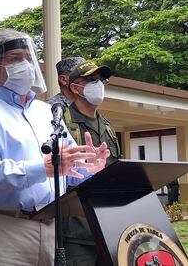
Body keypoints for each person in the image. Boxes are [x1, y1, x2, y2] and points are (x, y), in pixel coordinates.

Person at [0, 29, 110, 266]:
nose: (25, 65)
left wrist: (90, 169)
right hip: (2, 229)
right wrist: (43, 168)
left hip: (50, 228)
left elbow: (67, 170)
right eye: (15, 59)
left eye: (29, 58)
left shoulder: (46, 112)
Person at [48, 58, 121, 266]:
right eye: (91, 80)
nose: (98, 84)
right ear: (75, 88)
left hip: (108, 223)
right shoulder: (59, 123)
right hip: (76, 229)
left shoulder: (107, 126)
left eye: (100, 79)